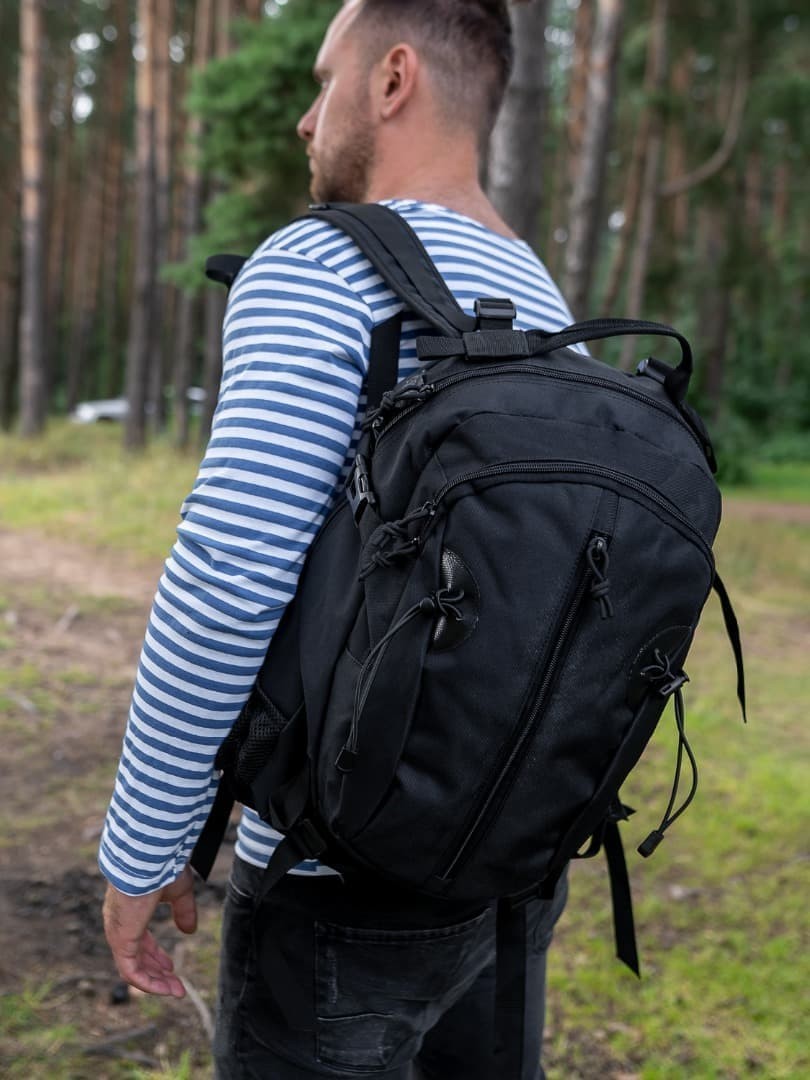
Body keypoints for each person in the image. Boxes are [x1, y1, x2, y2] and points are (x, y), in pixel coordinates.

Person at [100, 2, 576, 1076]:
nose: (307, 121)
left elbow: (229, 573)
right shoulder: (541, 290)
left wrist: (144, 842)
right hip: (510, 862)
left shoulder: (323, 261)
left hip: (337, 885)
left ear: (393, 78)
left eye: (327, 82)